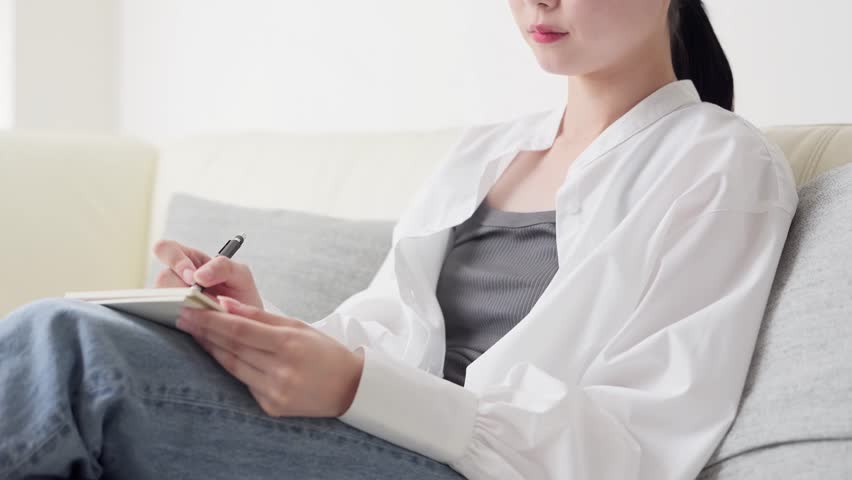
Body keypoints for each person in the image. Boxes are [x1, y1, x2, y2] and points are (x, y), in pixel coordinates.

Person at [0, 0, 800, 478]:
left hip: (467, 468)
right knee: (77, 329)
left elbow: (636, 446)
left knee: (66, 347)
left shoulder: (720, 163)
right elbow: (377, 341)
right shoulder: (484, 151)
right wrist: (265, 329)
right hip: (373, 435)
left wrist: (353, 386)